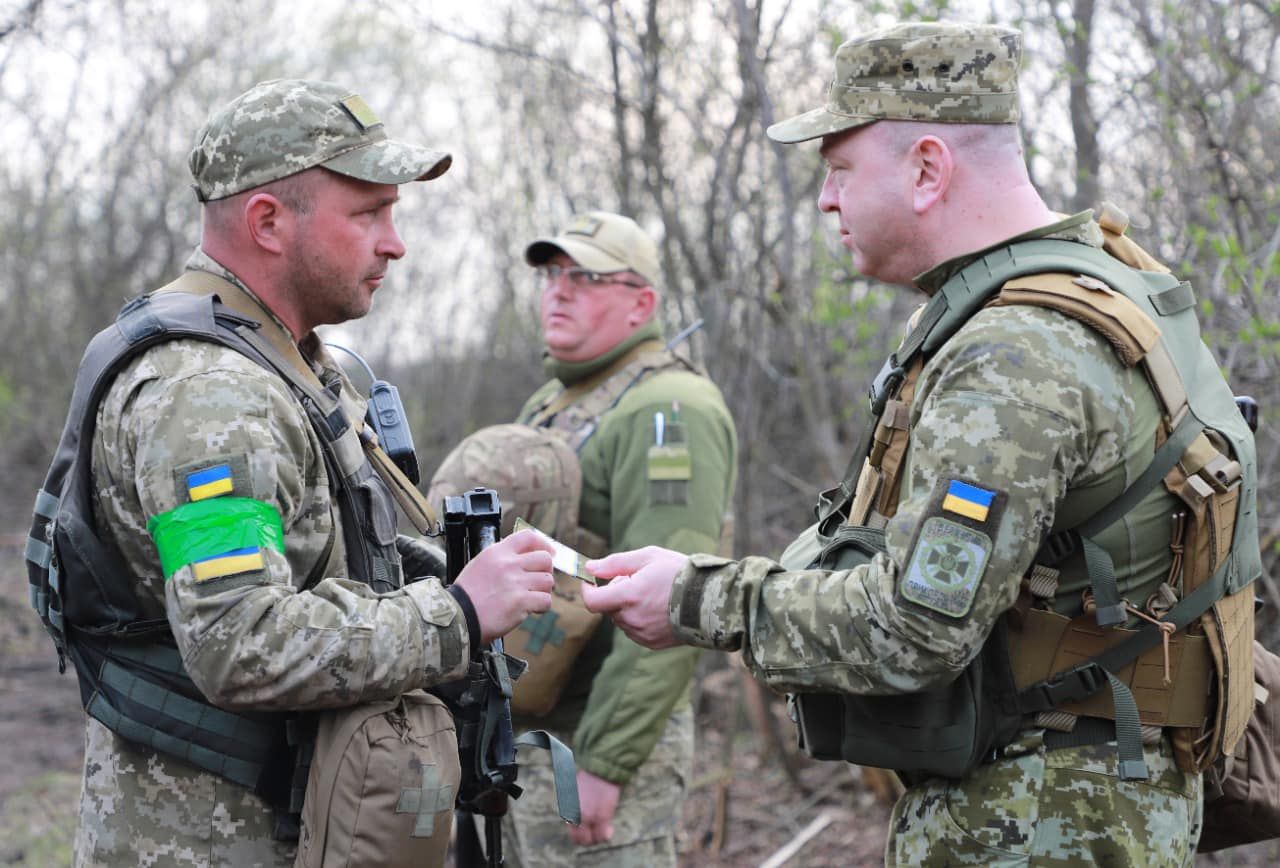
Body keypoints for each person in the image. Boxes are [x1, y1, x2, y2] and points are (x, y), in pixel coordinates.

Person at [581, 22, 1260, 866]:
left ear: (929, 168)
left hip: (1038, 820)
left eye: (839, 171)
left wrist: (696, 599)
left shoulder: (1014, 353)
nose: (826, 200)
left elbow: (914, 627)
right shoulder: (1108, 283)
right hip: (1090, 797)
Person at [37, 78, 556, 866]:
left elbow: (332, 554)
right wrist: (455, 612)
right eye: (368, 213)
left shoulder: (289, 359)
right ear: (268, 222)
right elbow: (239, 642)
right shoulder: (209, 397)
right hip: (210, 838)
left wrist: (479, 570)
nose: (396, 242)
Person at [502, 211, 737, 866]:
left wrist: (605, 764)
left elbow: (672, 603)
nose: (559, 290)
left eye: (585, 276)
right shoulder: (559, 400)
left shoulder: (669, 409)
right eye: (552, 275)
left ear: (642, 303)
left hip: (596, 744)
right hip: (535, 736)